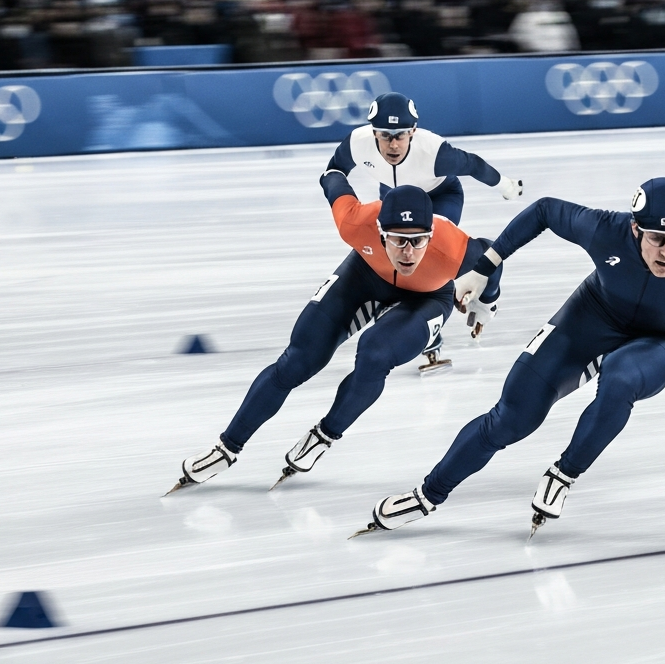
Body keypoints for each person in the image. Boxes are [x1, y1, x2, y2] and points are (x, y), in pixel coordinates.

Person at [355, 177, 665, 538]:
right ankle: (428, 495)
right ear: (636, 230)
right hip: (591, 316)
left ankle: (564, 474)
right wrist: (486, 265)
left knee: (620, 377)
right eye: (657, 240)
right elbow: (543, 210)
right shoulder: (604, 230)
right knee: (511, 417)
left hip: (664, 339)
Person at [166, 181, 503, 495]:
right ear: (379, 232)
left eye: (418, 240)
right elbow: (333, 175)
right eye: (398, 240)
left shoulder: (455, 247)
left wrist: (487, 302)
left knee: (374, 353)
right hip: (364, 276)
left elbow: (495, 260)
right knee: (297, 361)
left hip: (428, 297)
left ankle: (325, 434)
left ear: (432, 234)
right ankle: (227, 447)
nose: (408, 253)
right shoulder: (356, 222)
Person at [323, 90, 523, 368]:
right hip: (394, 195)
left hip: (439, 197)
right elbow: (335, 170)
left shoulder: (434, 153)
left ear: (413, 131)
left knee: (427, 254)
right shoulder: (358, 143)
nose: (393, 145)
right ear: (373, 132)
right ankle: (411, 315)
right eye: (385, 135)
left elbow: (474, 165)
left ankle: (452, 313)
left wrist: (507, 187)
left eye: (400, 135)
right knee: (393, 250)